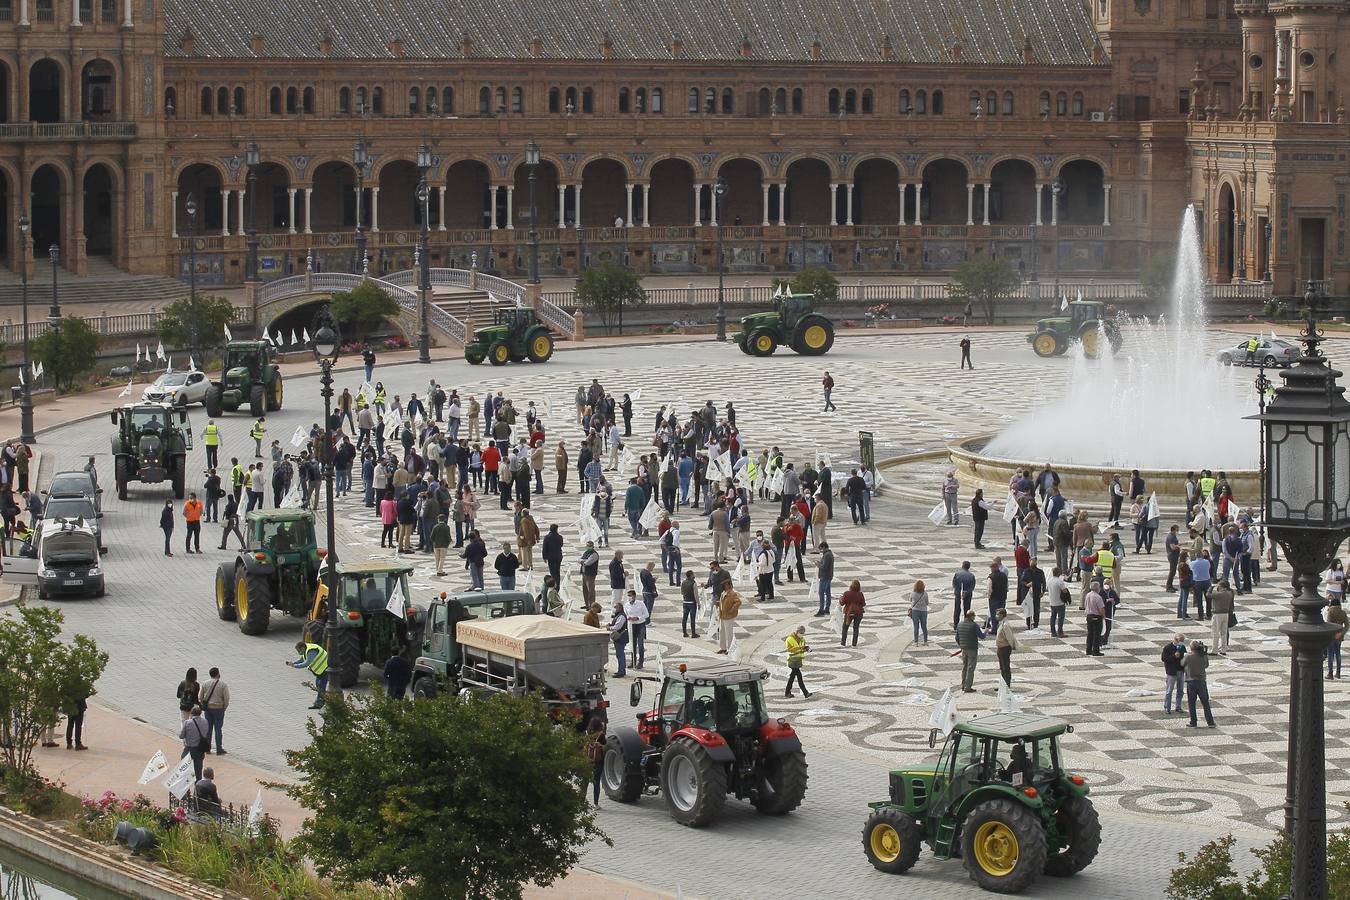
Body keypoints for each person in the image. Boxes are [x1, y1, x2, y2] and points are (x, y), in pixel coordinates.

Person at [287, 640, 330, 710]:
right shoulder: (306, 649)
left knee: (321, 686)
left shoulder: (311, 651)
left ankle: (321, 703)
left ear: (302, 648)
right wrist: (293, 663)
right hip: (320, 671)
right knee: (319, 685)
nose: (298, 652)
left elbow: (306, 663)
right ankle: (321, 702)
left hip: (325, 668)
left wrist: (295, 666)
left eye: (299, 650)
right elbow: (302, 660)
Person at [1184, 640, 1217, 727]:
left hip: (1191, 682)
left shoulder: (1188, 656)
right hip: (1201, 682)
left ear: (1191, 648)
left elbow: (1182, 664)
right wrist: (1204, 654)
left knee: (1191, 703)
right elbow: (1206, 665)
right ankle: (1210, 722)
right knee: (1205, 702)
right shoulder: (1203, 656)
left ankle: (1193, 722)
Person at [199, 667, 229, 754]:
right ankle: (219, 749)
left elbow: (200, 697)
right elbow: (226, 698)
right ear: (217, 674)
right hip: (219, 709)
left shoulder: (205, 683)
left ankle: (207, 748)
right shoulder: (223, 685)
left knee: (208, 729)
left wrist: (203, 704)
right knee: (218, 729)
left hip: (208, 709)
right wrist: (224, 707)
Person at [178, 705, 210, 780]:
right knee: (198, 771)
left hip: (189, 749)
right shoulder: (205, 721)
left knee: (184, 769)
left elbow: (181, 736)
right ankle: (197, 788)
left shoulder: (187, 723)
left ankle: (186, 788)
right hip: (200, 749)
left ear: (191, 713)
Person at [956, 610, 981, 692]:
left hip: (963, 648)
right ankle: (968, 687)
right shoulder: (974, 625)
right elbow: (982, 636)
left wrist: (961, 645)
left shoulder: (960, 624)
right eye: (974, 616)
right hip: (972, 648)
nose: (974, 617)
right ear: (971, 616)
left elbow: (957, 637)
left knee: (964, 667)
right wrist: (986, 632)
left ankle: (963, 685)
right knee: (970, 668)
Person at [584, 719, 607, 806]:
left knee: (585, 781)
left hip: (588, 760)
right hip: (598, 761)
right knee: (596, 782)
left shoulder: (586, 733)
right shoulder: (600, 735)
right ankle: (595, 804)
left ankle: (582, 801)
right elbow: (605, 744)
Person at [1162, 634, 1186, 714]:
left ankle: (1178, 706)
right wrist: (1173, 656)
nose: (1182, 643)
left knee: (1180, 690)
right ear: (1175, 640)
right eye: (1180, 641)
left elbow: (1184, 657)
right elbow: (1164, 658)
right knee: (1169, 690)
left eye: (1183, 641)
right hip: (1171, 672)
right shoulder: (1168, 647)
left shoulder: (1182, 647)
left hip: (1180, 671)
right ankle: (1167, 707)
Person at [784, 626, 811, 698]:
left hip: (798, 660)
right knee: (799, 676)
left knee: (792, 677)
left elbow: (803, 647)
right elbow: (790, 650)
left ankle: (787, 692)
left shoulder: (802, 639)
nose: (802, 635)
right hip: (792, 660)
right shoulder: (789, 639)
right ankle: (805, 692)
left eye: (803, 633)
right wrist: (801, 648)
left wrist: (806, 648)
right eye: (800, 633)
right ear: (797, 632)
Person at [1209, 578, 1234, 654]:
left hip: (1217, 614)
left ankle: (1214, 650)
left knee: (1215, 633)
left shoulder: (1219, 594)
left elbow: (1208, 595)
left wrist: (1211, 587)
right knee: (1224, 633)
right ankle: (1224, 649)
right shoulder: (1230, 593)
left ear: (1222, 587)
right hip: (1226, 614)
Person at [625, 590, 648, 669]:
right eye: (628, 596)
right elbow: (626, 614)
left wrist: (638, 618)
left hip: (640, 625)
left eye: (630, 595)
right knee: (632, 644)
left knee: (640, 643)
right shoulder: (627, 605)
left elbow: (646, 614)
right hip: (632, 625)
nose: (629, 597)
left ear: (634, 596)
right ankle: (633, 660)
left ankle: (641, 661)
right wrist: (629, 618)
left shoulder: (640, 604)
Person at [995, 608, 1019, 687]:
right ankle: (1003, 684)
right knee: (1002, 667)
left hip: (1005, 648)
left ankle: (1007, 685)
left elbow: (1009, 637)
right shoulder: (1002, 623)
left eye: (998, 614)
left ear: (1002, 615)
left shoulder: (1005, 625)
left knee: (1005, 667)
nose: (997, 616)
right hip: (1001, 647)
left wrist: (1012, 646)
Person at [839, 579, 865, 647]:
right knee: (856, 628)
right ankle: (854, 644)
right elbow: (863, 604)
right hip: (858, 613)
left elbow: (842, 603)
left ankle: (843, 643)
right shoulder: (860, 594)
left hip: (848, 613)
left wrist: (840, 599)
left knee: (845, 627)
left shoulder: (846, 593)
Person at [716, 584, 741, 654]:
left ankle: (730, 649)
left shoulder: (732, 594)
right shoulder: (723, 593)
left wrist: (732, 609)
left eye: (725, 585)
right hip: (722, 616)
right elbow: (722, 603)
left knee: (729, 633)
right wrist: (717, 603)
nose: (723, 586)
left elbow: (738, 602)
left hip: (729, 617)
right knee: (722, 632)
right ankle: (723, 648)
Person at [1084, 581, 1105, 656]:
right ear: (1098, 588)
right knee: (1096, 634)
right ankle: (1095, 651)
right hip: (1096, 617)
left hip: (1089, 616)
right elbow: (1101, 609)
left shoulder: (1088, 595)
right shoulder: (1098, 597)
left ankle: (1088, 650)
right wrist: (1103, 616)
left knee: (1090, 633)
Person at [608, 600, 629, 677]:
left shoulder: (621, 616)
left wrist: (610, 628)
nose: (614, 609)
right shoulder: (619, 615)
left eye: (615, 607)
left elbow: (618, 627)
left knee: (620, 654)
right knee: (619, 654)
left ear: (619, 608)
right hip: (620, 637)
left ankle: (621, 671)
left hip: (620, 637)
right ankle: (621, 670)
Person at [1328, 597, 1347, 680]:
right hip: (1339, 636)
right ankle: (1338, 673)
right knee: (1338, 654)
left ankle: (1330, 673)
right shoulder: (1343, 613)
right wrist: (1341, 633)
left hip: (1331, 635)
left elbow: (1328, 623)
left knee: (1330, 655)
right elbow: (1347, 625)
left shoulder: (1330, 612)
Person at [815, 541, 834, 616]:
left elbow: (824, 567)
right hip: (828, 576)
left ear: (824, 547)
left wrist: (818, 565)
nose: (820, 551)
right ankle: (827, 609)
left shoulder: (827, 555)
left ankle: (821, 610)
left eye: (821, 549)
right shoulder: (828, 554)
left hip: (825, 576)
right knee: (828, 593)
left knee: (821, 593)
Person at [908, 580, 929, 644]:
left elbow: (910, 600)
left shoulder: (913, 593)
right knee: (924, 626)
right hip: (923, 611)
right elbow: (927, 603)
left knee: (916, 626)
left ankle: (916, 641)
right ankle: (925, 641)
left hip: (915, 611)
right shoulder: (925, 593)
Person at [681, 569, 699, 638]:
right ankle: (693, 633)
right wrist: (698, 603)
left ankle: (684, 632)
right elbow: (696, 595)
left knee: (684, 618)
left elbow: (682, 592)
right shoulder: (693, 583)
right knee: (692, 618)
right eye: (693, 574)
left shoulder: (683, 582)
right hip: (692, 603)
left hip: (685, 602)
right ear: (691, 575)